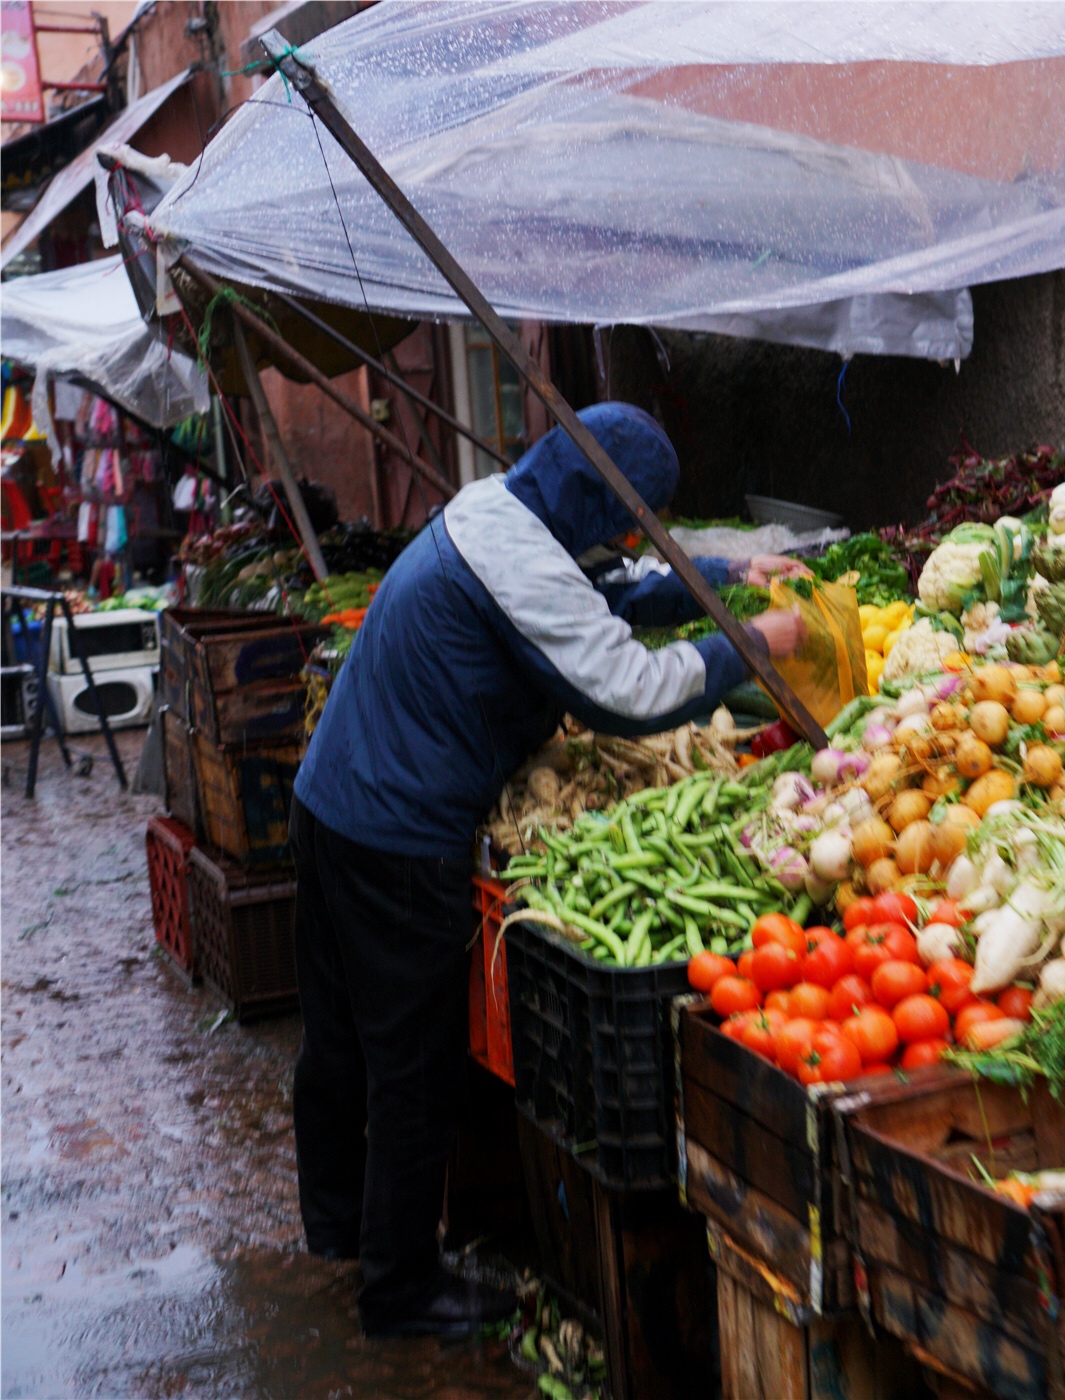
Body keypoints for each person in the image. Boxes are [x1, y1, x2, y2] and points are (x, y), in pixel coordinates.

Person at [288, 402, 805, 1338]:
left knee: (340, 1046)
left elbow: (608, 587)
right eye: (623, 514)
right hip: (399, 834)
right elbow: (627, 692)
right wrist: (751, 646)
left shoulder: (501, 509)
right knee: (411, 1066)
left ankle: (337, 1228)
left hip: (331, 800)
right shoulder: (523, 560)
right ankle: (398, 1290)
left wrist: (718, 577)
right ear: (591, 495)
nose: (618, 534)